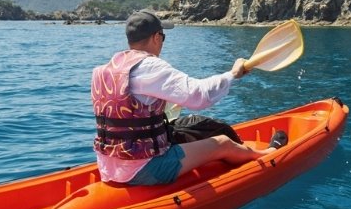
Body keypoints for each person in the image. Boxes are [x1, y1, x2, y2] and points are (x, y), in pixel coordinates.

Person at [91, 11, 276, 185]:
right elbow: (199, 97)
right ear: (156, 38)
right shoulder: (150, 66)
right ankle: (267, 154)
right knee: (223, 143)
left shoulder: (102, 71)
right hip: (143, 169)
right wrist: (233, 75)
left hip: (107, 168)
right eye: (163, 37)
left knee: (183, 131)